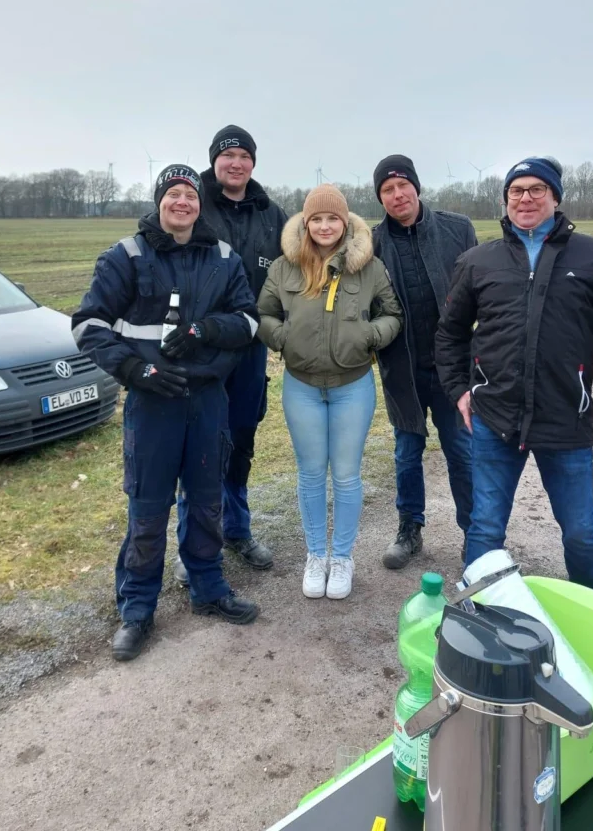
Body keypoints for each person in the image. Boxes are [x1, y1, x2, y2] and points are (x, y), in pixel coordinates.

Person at [72, 163, 261, 661]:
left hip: (205, 400)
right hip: (152, 403)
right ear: (160, 201)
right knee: (149, 506)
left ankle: (208, 587)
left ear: (201, 204)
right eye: (173, 193)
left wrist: (205, 333)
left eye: (190, 195)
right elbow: (88, 324)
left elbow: (246, 320)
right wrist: (136, 371)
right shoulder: (126, 256)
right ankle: (137, 608)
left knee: (205, 500)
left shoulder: (223, 257)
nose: (183, 202)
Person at [435, 156, 593, 591]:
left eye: (536, 189)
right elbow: (449, 334)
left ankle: (590, 610)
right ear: (506, 199)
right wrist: (459, 389)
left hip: (565, 418)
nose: (525, 198)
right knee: (485, 528)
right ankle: (475, 615)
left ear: (555, 197)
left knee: (581, 532)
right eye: (516, 190)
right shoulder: (477, 260)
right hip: (495, 418)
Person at [257, 185, 402, 600]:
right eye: (316, 219)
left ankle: (342, 557)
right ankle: (315, 554)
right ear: (306, 223)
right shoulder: (285, 267)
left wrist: (369, 336)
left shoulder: (369, 266)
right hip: (301, 386)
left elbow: (392, 314)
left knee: (346, 475)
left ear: (345, 222)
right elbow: (263, 313)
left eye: (332, 218)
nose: (324, 226)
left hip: (351, 387)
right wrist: (282, 338)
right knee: (309, 473)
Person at [172, 125, 286, 582]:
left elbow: (291, 273)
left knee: (241, 437)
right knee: (200, 443)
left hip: (251, 348)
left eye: (243, 155)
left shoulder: (272, 214)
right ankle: (193, 545)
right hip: (200, 346)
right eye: (227, 155)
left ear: (253, 163)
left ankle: (237, 529)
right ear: (214, 161)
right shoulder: (192, 202)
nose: (235, 163)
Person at [371, 155, 476, 569]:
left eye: (402, 186)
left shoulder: (458, 229)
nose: (397, 195)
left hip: (453, 369)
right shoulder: (372, 244)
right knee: (406, 453)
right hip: (403, 368)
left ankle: (476, 532)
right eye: (387, 190)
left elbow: (481, 294)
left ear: (416, 187)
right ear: (380, 197)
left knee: (462, 454)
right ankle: (409, 528)